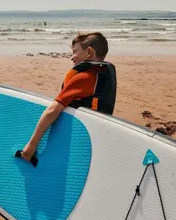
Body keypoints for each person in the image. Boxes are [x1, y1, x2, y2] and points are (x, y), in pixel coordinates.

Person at [20, 32, 117, 162]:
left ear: (89, 52)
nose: (72, 58)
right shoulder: (102, 75)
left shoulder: (84, 77)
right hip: (95, 136)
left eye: (75, 52)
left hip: (80, 140)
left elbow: (52, 111)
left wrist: (32, 144)